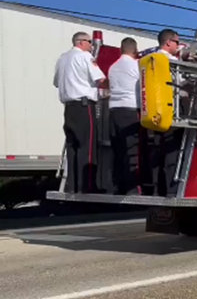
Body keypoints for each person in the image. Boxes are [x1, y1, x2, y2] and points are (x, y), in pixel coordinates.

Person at [53, 31, 106, 193]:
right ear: (81, 42)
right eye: (90, 42)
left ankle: (73, 187)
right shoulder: (85, 57)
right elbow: (100, 79)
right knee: (87, 147)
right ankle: (87, 187)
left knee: (73, 148)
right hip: (84, 106)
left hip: (69, 108)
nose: (91, 46)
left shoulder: (62, 59)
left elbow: (56, 83)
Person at [152, 29, 189, 197]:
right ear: (168, 42)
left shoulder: (152, 59)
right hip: (173, 108)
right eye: (176, 42)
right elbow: (183, 81)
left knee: (158, 150)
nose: (178, 45)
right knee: (173, 151)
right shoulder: (171, 61)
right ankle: (172, 190)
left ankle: (157, 189)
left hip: (155, 110)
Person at [108, 37, 142, 195]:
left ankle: (118, 186)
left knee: (118, 150)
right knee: (132, 150)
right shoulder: (136, 66)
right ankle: (131, 188)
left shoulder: (113, 67)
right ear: (135, 51)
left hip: (114, 110)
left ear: (121, 50)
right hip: (129, 109)